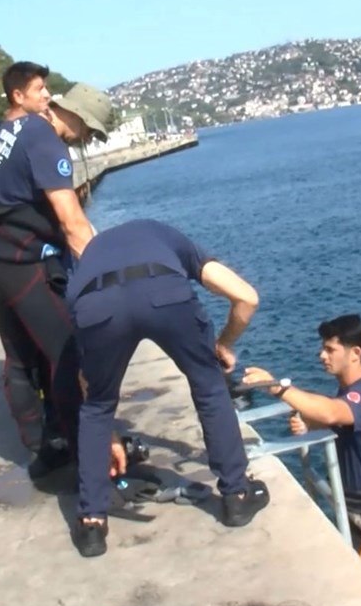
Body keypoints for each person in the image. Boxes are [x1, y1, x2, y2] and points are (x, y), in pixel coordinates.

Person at [66, 219, 271, 558]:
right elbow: (247, 297)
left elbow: (86, 382)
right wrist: (223, 344)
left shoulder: (87, 261)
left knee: (96, 408)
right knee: (209, 385)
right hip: (165, 293)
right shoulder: (167, 236)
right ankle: (236, 496)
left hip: (96, 308)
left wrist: (107, 426)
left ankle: (91, 523)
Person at [0, 64, 108, 479]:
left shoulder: (12, 129)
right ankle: (86, 454)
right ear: (70, 113)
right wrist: (104, 277)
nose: (86, 139)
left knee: (20, 358)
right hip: (27, 262)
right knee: (69, 353)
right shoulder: (45, 138)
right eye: (88, 129)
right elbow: (71, 219)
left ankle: (43, 447)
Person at [241, 314, 361, 588]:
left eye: (330, 349)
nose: (322, 356)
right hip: (353, 506)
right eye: (322, 348)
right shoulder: (352, 395)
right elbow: (337, 421)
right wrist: (308, 423)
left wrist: (277, 388)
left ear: (355, 354)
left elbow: (330, 412)